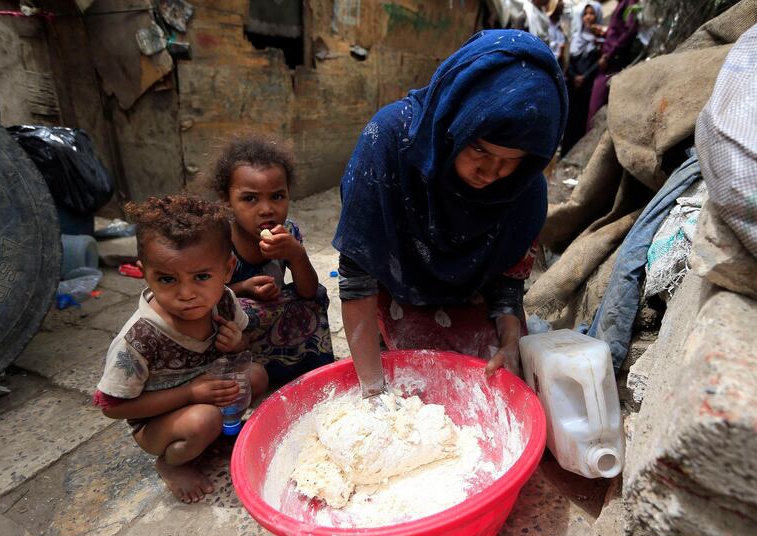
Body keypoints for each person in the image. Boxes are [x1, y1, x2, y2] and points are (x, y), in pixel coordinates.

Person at [333, 30, 568, 398]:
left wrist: (509, 346)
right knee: (415, 385)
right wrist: (373, 393)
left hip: (475, 293)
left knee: (495, 386)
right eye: (478, 150)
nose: (491, 173)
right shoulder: (391, 142)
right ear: (453, 126)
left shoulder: (525, 186)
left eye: (510, 162)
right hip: (400, 291)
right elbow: (357, 278)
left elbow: (508, 285)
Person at [93, 195, 268, 503]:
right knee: (204, 420)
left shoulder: (223, 300)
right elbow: (112, 407)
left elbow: (245, 343)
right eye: (167, 279)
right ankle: (171, 463)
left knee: (256, 375)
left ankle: (220, 434)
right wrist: (190, 393)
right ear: (144, 273)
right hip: (156, 420)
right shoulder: (138, 338)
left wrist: (236, 343)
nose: (186, 294)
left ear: (228, 269)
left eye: (202, 277)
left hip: (206, 393)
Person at [212, 137, 334, 385]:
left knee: (317, 296)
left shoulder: (287, 231)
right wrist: (242, 288)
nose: (266, 209)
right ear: (227, 201)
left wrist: (296, 254)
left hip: (273, 315)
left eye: (277, 196)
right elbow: (203, 296)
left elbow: (308, 291)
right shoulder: (218, 241)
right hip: (233, 325)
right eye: (250, 199)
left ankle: (299, 364)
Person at [561, 1, 605, 155]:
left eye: (592, 13)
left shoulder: (601, 41)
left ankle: (575, 155)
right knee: (569, 121)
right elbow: (569, 62)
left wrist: (584, 77)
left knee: (581, 122)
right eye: (585, 14)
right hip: (573, 86)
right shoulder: (575, 38)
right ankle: (564, 154)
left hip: (587, 88)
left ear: (598, 15)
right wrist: (574, 77)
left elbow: (599, 64)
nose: (588, 17)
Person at [587, 0, 640, 127]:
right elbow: (618, 31)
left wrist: (609, 55)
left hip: (612, 63)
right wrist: (604, 33)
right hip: (608, 61)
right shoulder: (620, 4)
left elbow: (630, 30)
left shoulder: (630, 2)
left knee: (596, 108)